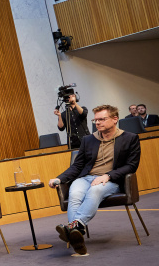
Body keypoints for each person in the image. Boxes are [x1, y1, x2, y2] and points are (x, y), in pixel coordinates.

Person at [49, 105, 141, 255]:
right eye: (96, 120)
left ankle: (73, 229)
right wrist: (59, 178)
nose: (97, 123)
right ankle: (76, 233)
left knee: (95, 191)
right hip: (85, 178)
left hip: (110, 180)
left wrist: (108, 175)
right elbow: (77, 166)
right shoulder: (88, 140)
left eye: (102, 119)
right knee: (75, 194)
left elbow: (131, 166)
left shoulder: (130, 138)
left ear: (115, 119)